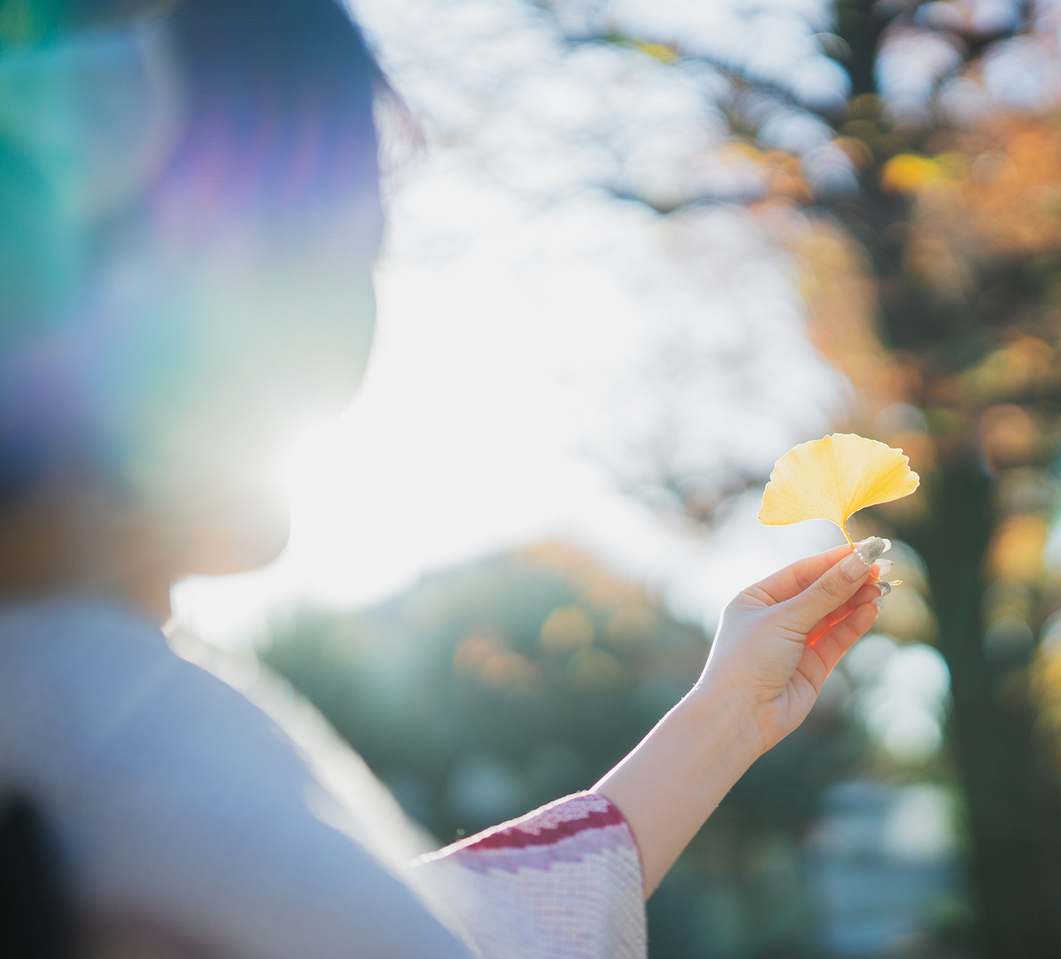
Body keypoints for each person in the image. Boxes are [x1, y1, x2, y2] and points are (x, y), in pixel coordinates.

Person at [0, 1, 889, 956]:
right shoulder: (106, 771)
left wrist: (728, 713)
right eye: (332, 240)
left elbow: (446, 925)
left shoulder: (98, 737)